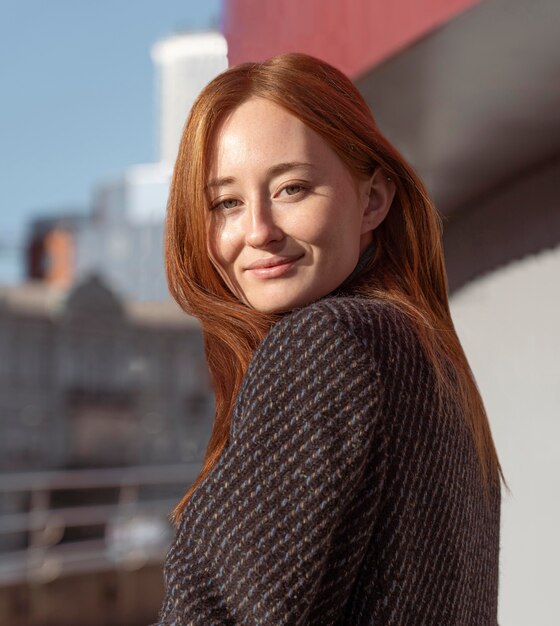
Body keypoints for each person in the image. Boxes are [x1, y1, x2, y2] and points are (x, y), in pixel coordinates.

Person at [155, 52, 505, 625]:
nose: (259, 231)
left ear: (373, 200)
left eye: (292, 189)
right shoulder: (428, 359)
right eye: (227, 203)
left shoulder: (325, 343)